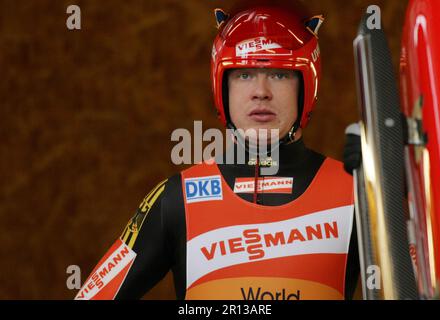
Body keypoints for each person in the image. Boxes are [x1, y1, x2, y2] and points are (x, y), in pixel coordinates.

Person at [75, 0, 360, 300]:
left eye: (279, 74)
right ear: (221, 85)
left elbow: (413, 286)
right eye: (244, 75)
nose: (261, 91)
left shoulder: (355, 193)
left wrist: (394, 191)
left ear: (306, 85)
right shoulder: (179, 198)